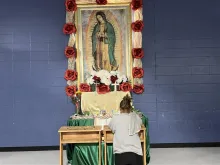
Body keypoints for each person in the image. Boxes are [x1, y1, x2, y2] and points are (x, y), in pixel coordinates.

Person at [108, 94, 143, 165]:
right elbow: (140, 124)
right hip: (136, 153)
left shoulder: (115, 118)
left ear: (120, 109)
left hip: (121, 153)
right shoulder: (135, 117)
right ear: (130, 108)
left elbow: (111, 128)